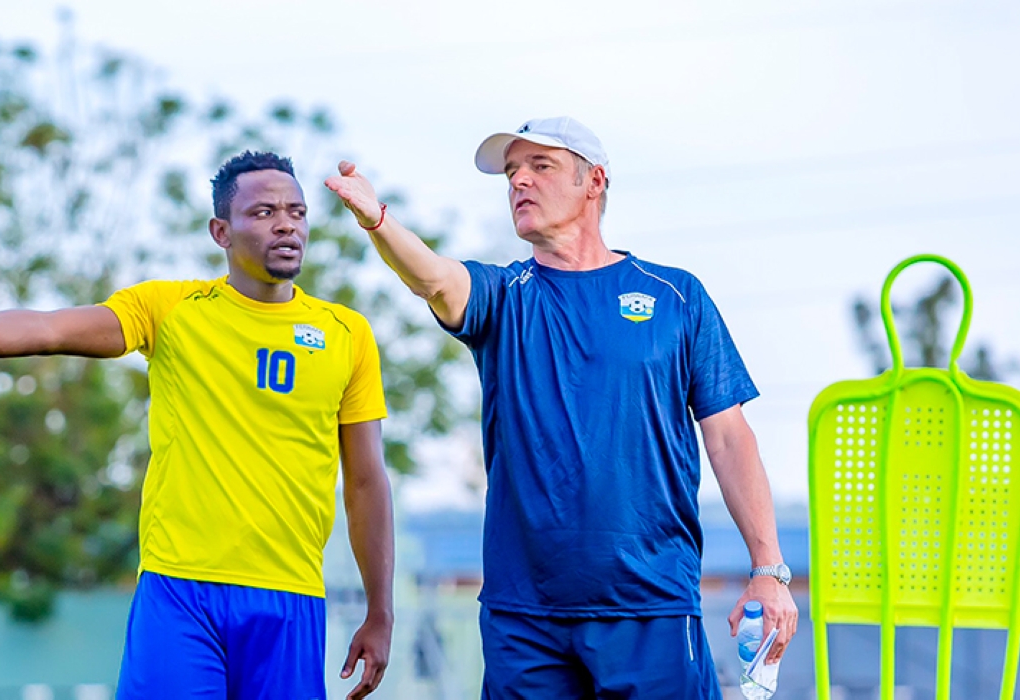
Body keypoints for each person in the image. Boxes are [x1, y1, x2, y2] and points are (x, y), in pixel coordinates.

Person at [0, 151, 394, 700]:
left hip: (289, 599)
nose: (285, 225)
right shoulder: (171, 310)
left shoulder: (347, 334)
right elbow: (46, 328)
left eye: (296, 212)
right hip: (180, 592)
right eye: (264, 212)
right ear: (220, 231)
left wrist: (380, 611)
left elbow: (366, 483)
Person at [325, 117, 799, 698]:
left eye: (539, 166)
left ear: (593, 181)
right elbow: (435, 280)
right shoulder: (503, 297)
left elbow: (730, 439)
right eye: (511, 172)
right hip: (524, 619)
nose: (519, 181)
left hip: (650, 605)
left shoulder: (677, 297)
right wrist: (379, 221)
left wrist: (768, 570)